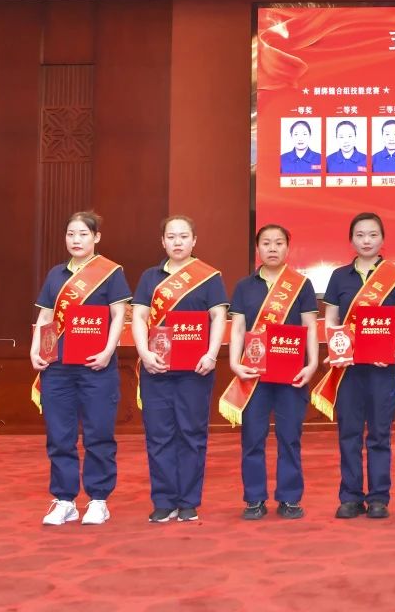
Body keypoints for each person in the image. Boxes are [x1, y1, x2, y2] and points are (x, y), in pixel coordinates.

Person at [31, 211, 132, 526]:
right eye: (71, 234)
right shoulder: (55, 275)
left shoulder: (111, 273)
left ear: (96, 237)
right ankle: (65, 500)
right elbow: (46, 317)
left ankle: (98, 499)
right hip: (58, 367)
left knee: (98, 434)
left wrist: (108, 351)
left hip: (96, 366)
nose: (76, 240)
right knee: (59, 435)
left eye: (83, 234)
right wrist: (36, 350)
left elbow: (119, 315)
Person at [131, 215, 228, 523]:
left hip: (195, 370)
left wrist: (211, 355)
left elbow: (218, 318)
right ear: (163, 242)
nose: (177, 242)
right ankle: (164, 500)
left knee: (191, 434)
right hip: (156, 368)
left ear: (194, 240)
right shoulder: (150, 277)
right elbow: (139, 317)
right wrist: (144, 353)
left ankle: (188, 501)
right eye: (171, 237)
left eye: (183, 236)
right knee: (158, 435)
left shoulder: (209, 277)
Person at [319, 212, 395, 519]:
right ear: (351, 240)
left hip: (382, 368)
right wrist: (335, 347)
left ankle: (378, 497)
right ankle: (350, 496)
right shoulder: (339, 277)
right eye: (360, 235)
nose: (366, 241)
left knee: (379, 434)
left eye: (373, 235)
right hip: (348, 368)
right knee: (348, 432)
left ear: (382, 239)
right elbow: (331, 318)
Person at [225, 224, 319, 520]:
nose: (273, 248)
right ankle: (254, 498)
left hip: (292, 374)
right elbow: (238, 328)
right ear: (258, 248)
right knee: (253, 437)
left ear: (287, 248)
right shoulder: (244, 286)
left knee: (289, 437)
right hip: (254, 374)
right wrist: (234, 362)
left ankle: (289, 498)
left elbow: (310, 327)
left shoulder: (301, 285)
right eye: (266, 243)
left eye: (279, 243)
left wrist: (312, 363)